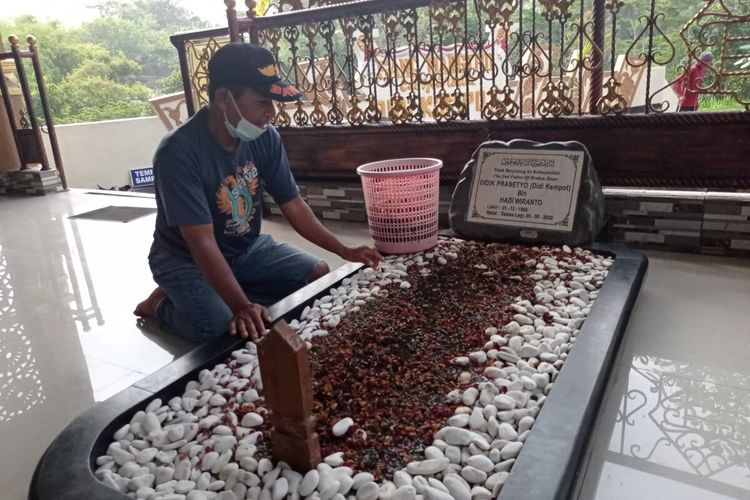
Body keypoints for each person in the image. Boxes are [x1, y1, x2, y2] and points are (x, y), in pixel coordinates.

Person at [134, 43, 382, 342]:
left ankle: (218, 289)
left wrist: (343, 249)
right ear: (225, 98)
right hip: (185, 259)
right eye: (263, 101)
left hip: (245, 248)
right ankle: (161, 304)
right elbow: (201, 244)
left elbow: (292, 203)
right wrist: (240, 306)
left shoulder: (265, 137)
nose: (271, 113)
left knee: (316, 274)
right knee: (221, 328)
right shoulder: (178, 153)